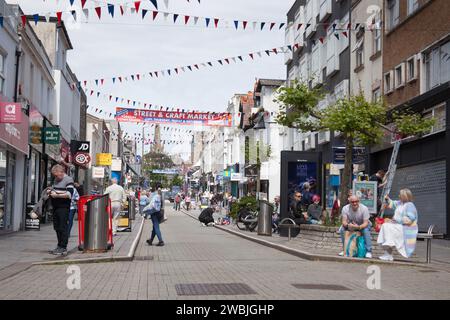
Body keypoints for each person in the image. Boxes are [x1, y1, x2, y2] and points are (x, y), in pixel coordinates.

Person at [377, 189, 418, 261]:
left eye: (400, 195)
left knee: (387, 227)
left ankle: (388, 252)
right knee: (385, 226)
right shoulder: (400, 203)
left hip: (406, 227)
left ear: (404, 196)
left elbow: (410, 219)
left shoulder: (410, 205)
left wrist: (398, 221)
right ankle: (388, 251)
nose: (399, 196)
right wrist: (387, 199)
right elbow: (392, 203)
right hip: (397, 226)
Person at [48, 165, 75, 256]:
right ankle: (59, 245)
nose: (55, 177)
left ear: (61, 172)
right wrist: (50, 191)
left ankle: (63, 247)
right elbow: (54, 189)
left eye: (56, 175)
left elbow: (69, 194)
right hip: (55, 206)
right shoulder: (56, 180)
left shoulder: (68, 180)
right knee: (57, 227)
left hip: (63, 207)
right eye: (54, 175)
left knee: (63, 227)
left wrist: (57, 195)